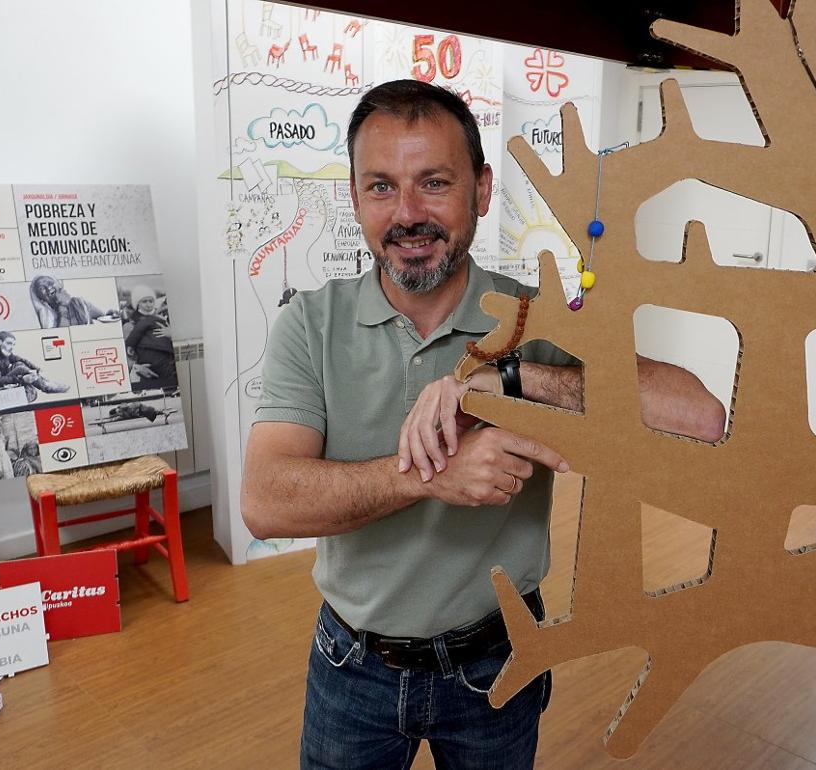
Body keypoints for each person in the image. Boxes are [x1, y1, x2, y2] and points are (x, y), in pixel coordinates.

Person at [241, 80, 725, 770]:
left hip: (497, 663)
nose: (407, 214)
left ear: (482, 189)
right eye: (381, 187)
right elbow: (265, 502)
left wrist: (509, 380)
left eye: (434, 182)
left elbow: (699, 416)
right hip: (350, 663)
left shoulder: (534, 319)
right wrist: (433, 476)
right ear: (354, 198)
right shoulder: (310, 325)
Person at [0, 331, 70, 404]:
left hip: (1, 385)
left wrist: (38, 369)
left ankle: (44, 385)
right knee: (22, 372)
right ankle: (46, 386)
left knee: (19, 365)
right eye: (9, 343)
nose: (12, 347)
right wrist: (22, 379)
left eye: (13, 344)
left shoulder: (1, 351)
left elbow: (20, 359)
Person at [124, 285, 177, 391]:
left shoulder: (164, 320)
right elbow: (126, 355)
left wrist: (172, 335)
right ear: (137, 304)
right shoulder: (130, 325)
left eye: (151, 301)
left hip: (170, 367)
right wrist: (137, 368)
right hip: (147, 376)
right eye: (144, 301)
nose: (148, 304)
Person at [29, 275, 117, 327]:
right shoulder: (47, 319)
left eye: (49, 283)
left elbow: (103, 317)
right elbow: (62, 335)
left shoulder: (79, 302)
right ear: (41, 299)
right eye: (42, 288)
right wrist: (62, 306)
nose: (48, 288)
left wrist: (112, 314)